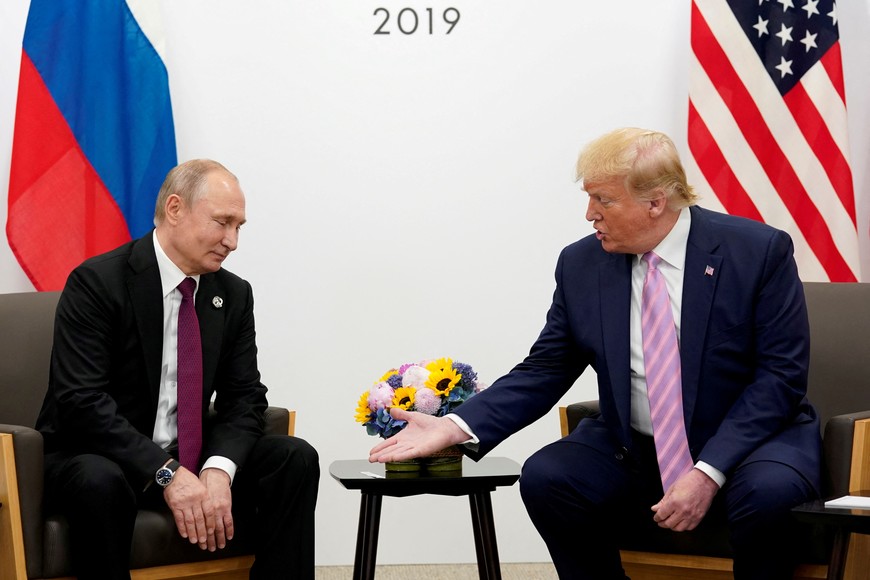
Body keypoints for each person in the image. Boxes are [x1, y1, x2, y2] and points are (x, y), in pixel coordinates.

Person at [370, 128, 821, 579]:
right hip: (637, 447)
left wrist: (707, 471)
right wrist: (454, 426)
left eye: (603, 200)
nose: (590, 214)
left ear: (655, 202)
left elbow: (779, 378)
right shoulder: (582, 264)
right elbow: (546, 367)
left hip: (751, 444)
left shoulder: (757, 252)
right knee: (549, 477)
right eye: (589, 198)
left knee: (770, 493)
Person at [36, 159, 319, 579]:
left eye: (239, 227)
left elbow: (245, 398)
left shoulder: (233, 294)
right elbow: (82, 402)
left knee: (294, 458)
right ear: (175, 209)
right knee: (99, 478)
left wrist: (218, 469)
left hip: (189, 457)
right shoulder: (98, 282)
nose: (232, 241)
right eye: (222, 222)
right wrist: (166, 473)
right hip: (101, 456)